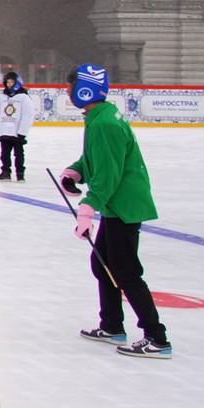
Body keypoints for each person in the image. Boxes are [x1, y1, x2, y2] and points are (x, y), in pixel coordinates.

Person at [62, 65, 172, 359]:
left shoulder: (104, 124)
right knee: (103, 266)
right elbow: (97, 159)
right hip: (116, 203)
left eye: (71, 86)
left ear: (85, 88)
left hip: (123, 205)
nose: (68, 91)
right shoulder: (100, 116)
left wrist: (86, 210)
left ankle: (157, 338)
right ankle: (112, 326)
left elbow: (109, 174)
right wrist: (77, 171)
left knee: (126, 272)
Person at [0, 71, 34, 182]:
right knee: (4, 154)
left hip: (16, 132)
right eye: (8, 82)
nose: (9, 84)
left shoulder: (24, 98)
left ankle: (20, 173)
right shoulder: (2, 97)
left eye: (12, 82)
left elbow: (28, 116)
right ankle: (5, 172)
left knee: (18, 154)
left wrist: (22, 132)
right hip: (4, 131)